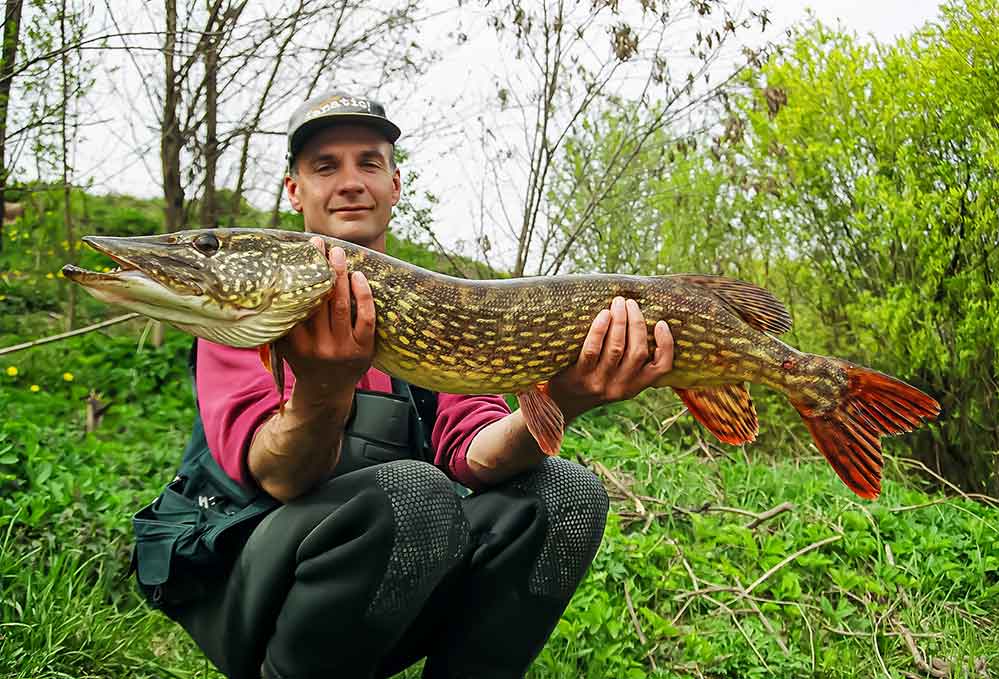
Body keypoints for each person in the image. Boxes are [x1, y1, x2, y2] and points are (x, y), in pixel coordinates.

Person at [154, 91, 676, 679]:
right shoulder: (244, 317)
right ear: (294, 190)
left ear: (394, 185)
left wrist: (562, 399)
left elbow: (476, 453)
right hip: (247, 586)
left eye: (368, 163)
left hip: (390, 575)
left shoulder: (442, 305)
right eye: (326, 166)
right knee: (413, 492)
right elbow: (279, 474)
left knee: (566, 494)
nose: (350, 182)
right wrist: (324, 387)